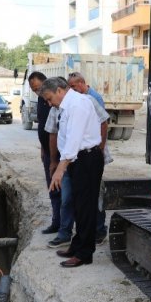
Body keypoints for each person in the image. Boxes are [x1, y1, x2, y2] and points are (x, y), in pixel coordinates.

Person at [40, 78, 104, 268]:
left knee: (86, 207)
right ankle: (77, 246)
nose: (49, 103)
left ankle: (85, 254)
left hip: (87, 160)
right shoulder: (67, 106)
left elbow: (75, 140)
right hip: (78, 160)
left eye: (50, 98)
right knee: (78, 205)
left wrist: (60, 168)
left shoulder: (77, 105)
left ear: (59, 91)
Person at [67, 72, 109, 242]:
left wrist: (100, 146)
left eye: (73, 86)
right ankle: (87, 231)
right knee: (85, 196)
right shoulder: (79, 99)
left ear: (82, 83)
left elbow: (103, 122)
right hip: (83, 154)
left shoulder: (92, 98)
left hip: (91, 153)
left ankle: (98, 230)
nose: (72, 90)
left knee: (93, 195)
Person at [28, 71, 61, 235]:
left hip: (59, 155)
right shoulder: (41, 101)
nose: (37, 92)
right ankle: (57, 222)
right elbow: (43, 125)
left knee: (63, 190)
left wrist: (55, 158)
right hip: (48, 153)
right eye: (34, 90)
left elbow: (54, 131)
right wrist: (43, 148)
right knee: (52, 188)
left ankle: (63, 226)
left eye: (38, 88)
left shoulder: (53, 101)